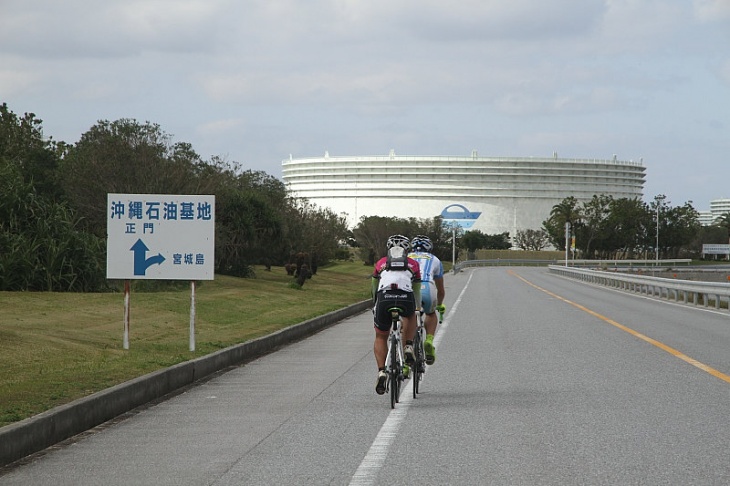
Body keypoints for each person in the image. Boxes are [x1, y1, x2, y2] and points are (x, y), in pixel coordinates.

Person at [372, 234, 422, 395]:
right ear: (407, 250)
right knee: (411, 315)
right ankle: (407, 345)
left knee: (380, 337)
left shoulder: (380, 263)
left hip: (384, 298)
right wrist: (418, 308)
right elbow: (416, 291)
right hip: (405, 297)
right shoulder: (413, 264)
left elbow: (374, 288)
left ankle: (381, 372)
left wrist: (375, 304)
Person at [409, 235, 446, 366]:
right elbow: (440, 290)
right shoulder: (435, 260)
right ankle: (429, 340)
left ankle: (405, 351)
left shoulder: (407, 257)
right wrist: (439, 304)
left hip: (410, 287)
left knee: (407, 316)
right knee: (430, 314)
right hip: (427, 286)